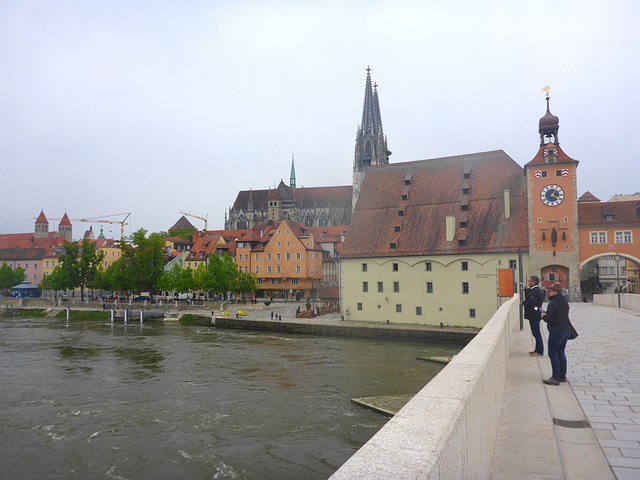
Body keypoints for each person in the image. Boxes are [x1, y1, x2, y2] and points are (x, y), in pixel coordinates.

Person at [541, 282, 571, 385]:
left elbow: (549, 319)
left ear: (554, 291)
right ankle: (562, 376)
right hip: (566, 330)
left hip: (556, 331)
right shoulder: (564, 302)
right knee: (561, 352)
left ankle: (555, 377)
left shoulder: (552, 304)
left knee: (552, 353)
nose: (548, 293)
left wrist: (543, 315)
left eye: (549, 291)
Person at [522, 275, 545, 357]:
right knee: (535, 333)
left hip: (534, 315)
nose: (528, 282)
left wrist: (524, 303)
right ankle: (537, 350)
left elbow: (532, 302)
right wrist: (526, 291)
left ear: (533, 282)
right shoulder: (535, 290)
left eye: (529, 281)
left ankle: (540, 351)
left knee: (536, 333)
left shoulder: (535, 291)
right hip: (534, 314)